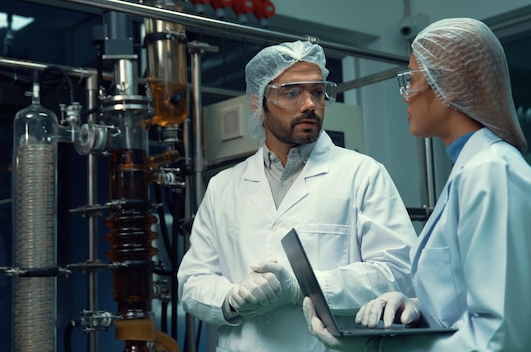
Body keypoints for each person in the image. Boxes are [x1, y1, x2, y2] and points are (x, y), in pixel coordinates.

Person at [304, 18, 531, 352]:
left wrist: (382, 348)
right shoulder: (471, 171)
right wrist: (415, 307)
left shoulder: (493, 172)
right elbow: (461, 301)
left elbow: (500, 338)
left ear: (448, 84)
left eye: (411, 80)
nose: (406, 95)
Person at [177, 40, 417, 352]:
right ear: (256, 103)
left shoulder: (362, 174)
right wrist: (230, 299)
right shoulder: (224, 186)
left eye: (317, 92)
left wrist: (304, 287)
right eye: (292, 92)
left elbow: (398, 272)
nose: (309, 105)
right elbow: (192, 280)